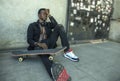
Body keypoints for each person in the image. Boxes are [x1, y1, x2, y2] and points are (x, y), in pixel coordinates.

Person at [27, 8, 79, 80]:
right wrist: (39, 44)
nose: (45, 15)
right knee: (45, 56)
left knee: (60, 26)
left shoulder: (48, 24)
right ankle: (56, 77)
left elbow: (56, 25)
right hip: (38, 46)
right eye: (43, 13)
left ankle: (67, 51)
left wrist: (49, 15)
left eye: (46, 13)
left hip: (49, 43)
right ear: (39, 15)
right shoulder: (32, 25)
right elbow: (29, 40)